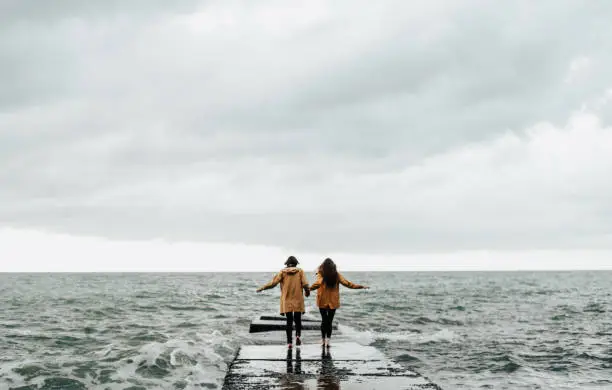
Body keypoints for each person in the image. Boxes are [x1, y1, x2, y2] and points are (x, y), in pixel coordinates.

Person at [309, 258, 368, 348]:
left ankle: (323, 340)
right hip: (333, 301)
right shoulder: (336, 275)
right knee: (330, 322)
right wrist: (361, 286)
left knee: (324, 321)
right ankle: (328, 341)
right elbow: (348, 284)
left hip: (322, 301)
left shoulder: (321, 274)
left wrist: (309, 289)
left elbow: (318, 283)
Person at [256, 256, 310, 348]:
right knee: (297, 319)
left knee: (289, 321)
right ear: (296, 263)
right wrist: (307, 292)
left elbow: (273, 283)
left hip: (286, 300)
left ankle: (289, 343)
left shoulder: (282, 272)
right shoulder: (300, 271)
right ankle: (297, 336)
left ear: (287, 264)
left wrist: (263, 288)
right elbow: (305, 284)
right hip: (298, 299)